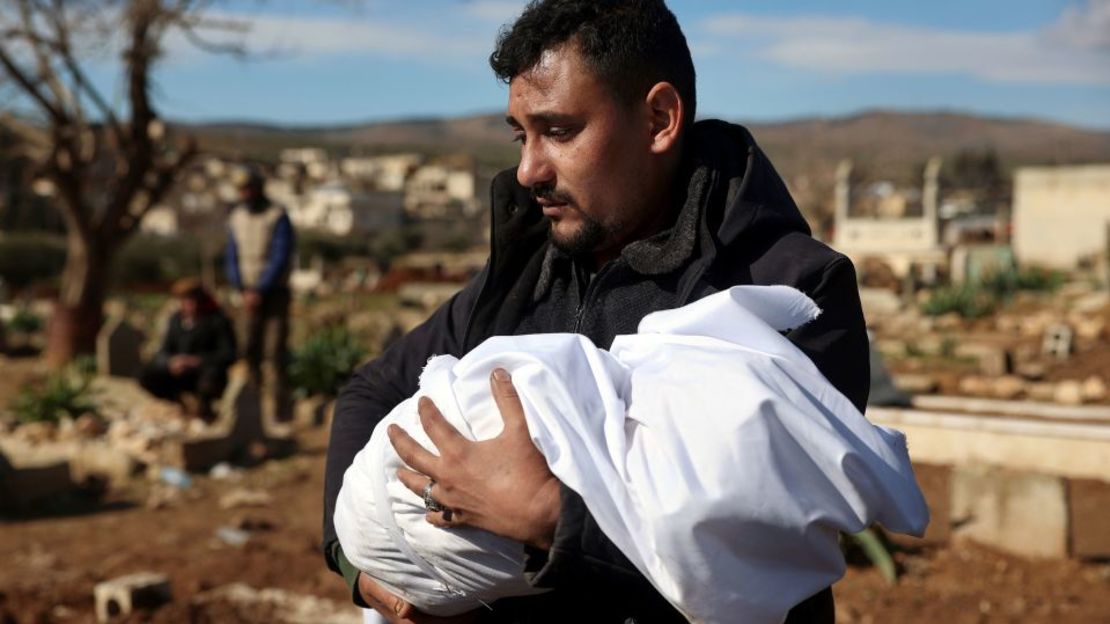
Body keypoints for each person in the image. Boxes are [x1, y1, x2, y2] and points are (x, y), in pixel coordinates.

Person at [323, 1, 871, 622]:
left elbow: (765, 536)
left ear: (660, 120)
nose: (528, 169)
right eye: (520, 135)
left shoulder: (789, 294)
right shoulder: (529, 273)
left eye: (558, 131)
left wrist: (551, 517)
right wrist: (361, 565)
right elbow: (372, 390)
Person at [225, 166, 295, 419]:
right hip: (245, 296)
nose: (245, 194)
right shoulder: (236, 217)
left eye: (249, 188)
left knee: (273, 352)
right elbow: (232, 256)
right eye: (242, 190)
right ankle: (250, 412)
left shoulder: (277, 215)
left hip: (274, 293)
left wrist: (261, 289)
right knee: (247, 350)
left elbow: (280, 255)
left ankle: (278, 412)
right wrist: (241, 288)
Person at [139, 278, 236, 420]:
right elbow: (164, 350)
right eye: (186, 300)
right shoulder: (176, 320)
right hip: (179, 372)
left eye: (193, 300)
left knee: (210, 378)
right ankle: (178, 404)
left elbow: (228, 354)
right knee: (146, 374)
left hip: (204, 372)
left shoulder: (217, 320)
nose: (190, 305)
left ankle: (204, 410)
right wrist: (171, 362)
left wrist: (196, 361)